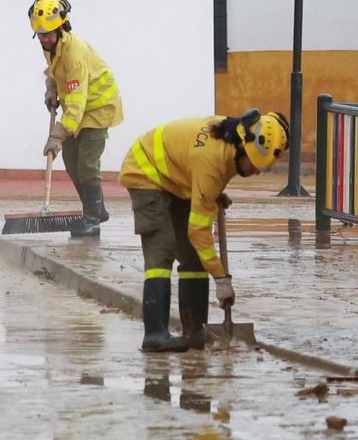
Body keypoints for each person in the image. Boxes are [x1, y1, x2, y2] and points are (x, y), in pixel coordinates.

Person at [118, 110, 288, 352]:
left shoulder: (230, 137)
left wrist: (210, 195)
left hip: (177, 180)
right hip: (145, 171)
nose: (257, 172)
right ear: (242, 149)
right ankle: (155, 334)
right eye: (254, 165)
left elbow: (199, 171)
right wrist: (221, 279)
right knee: (161, 250)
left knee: (194, 257)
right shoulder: (212, 160)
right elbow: (198, 230)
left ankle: (195, 331)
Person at [31, 0, 123, 238]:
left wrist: (56, 135)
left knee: (87, 164)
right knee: (71, 161)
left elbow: (77, 104)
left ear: (61, 28)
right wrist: (51, 88)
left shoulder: (75, 53)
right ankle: (97, 209)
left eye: (48, 34)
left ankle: (91, 220)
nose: (44, 39)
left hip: (98, 107)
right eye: (40, 34)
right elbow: (54, 71)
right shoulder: (50, 48)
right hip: (77, 107)